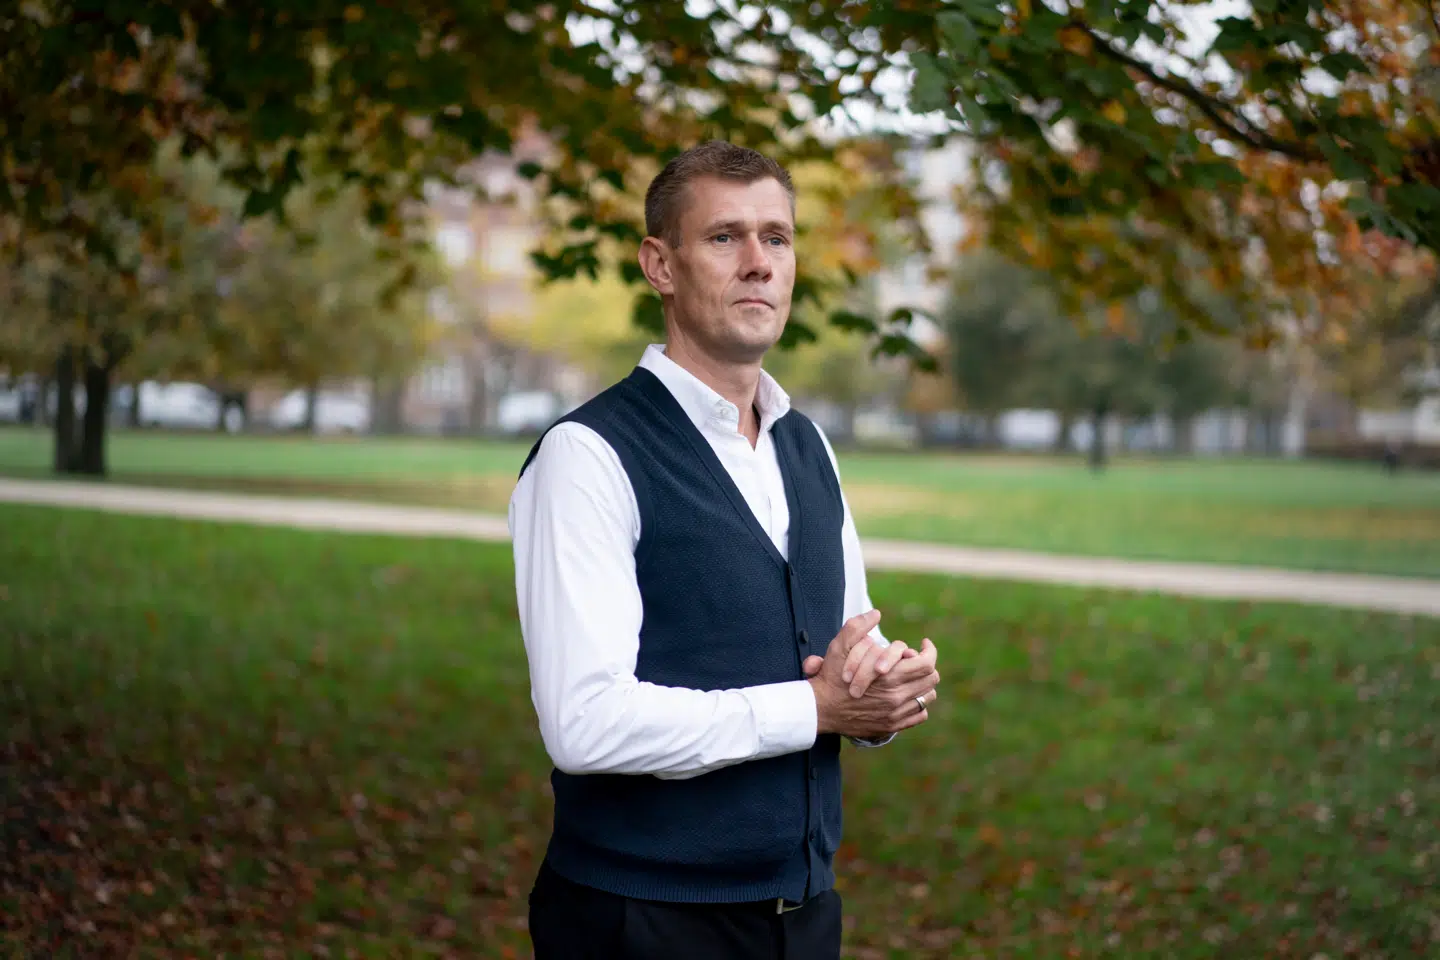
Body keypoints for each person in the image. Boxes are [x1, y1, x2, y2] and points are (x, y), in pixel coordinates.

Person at [508, 140, 943, 960]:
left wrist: (884, 690)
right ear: (660, 265)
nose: (758, 262)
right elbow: (584, 723)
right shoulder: (588, 454)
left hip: (802, 913)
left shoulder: (808, 445)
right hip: (641, 920)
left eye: (776, 238)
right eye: (724, 237)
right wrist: (813, 709)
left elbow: (844, 647)